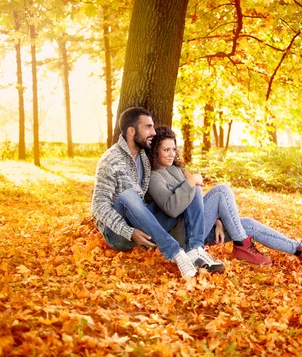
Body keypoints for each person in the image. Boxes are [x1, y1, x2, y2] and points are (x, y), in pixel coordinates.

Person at [146, 126, 302, 266]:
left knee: (246, 224)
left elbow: (195, 206)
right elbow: (172, 209)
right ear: (156, 151)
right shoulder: (154, 177)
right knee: (221, 190)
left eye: (173, 149)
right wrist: (190, 182)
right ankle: (242, 246)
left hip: (197, 228)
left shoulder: (176, 170)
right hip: (183, 237)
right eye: (166, 150)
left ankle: (300, 250)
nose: (171, 154)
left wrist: (218, 220)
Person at [91, 107, 224, 278]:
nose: (153, 132)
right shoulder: (110, 160)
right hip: (118, 233)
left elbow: (175, 166)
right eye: (148, 127)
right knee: (128, 195)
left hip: (145, 224)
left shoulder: (145, 158)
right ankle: (175, 253)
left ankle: (195, 250)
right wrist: (128, 231)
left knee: (191, 186)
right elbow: (98, 206)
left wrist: (191, 179)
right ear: (132, 131)